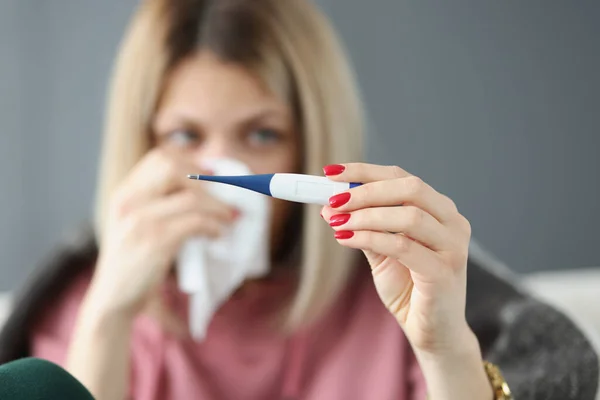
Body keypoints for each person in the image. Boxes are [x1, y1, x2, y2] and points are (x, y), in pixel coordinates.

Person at [0, 0, 598, 399]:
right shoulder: (83, 308)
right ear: (141, 144)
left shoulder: (389, 299)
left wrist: (445, 346)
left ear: (311, 140)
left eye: (262, 135)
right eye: (185, 136)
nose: (223, 170)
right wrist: (107, 316)